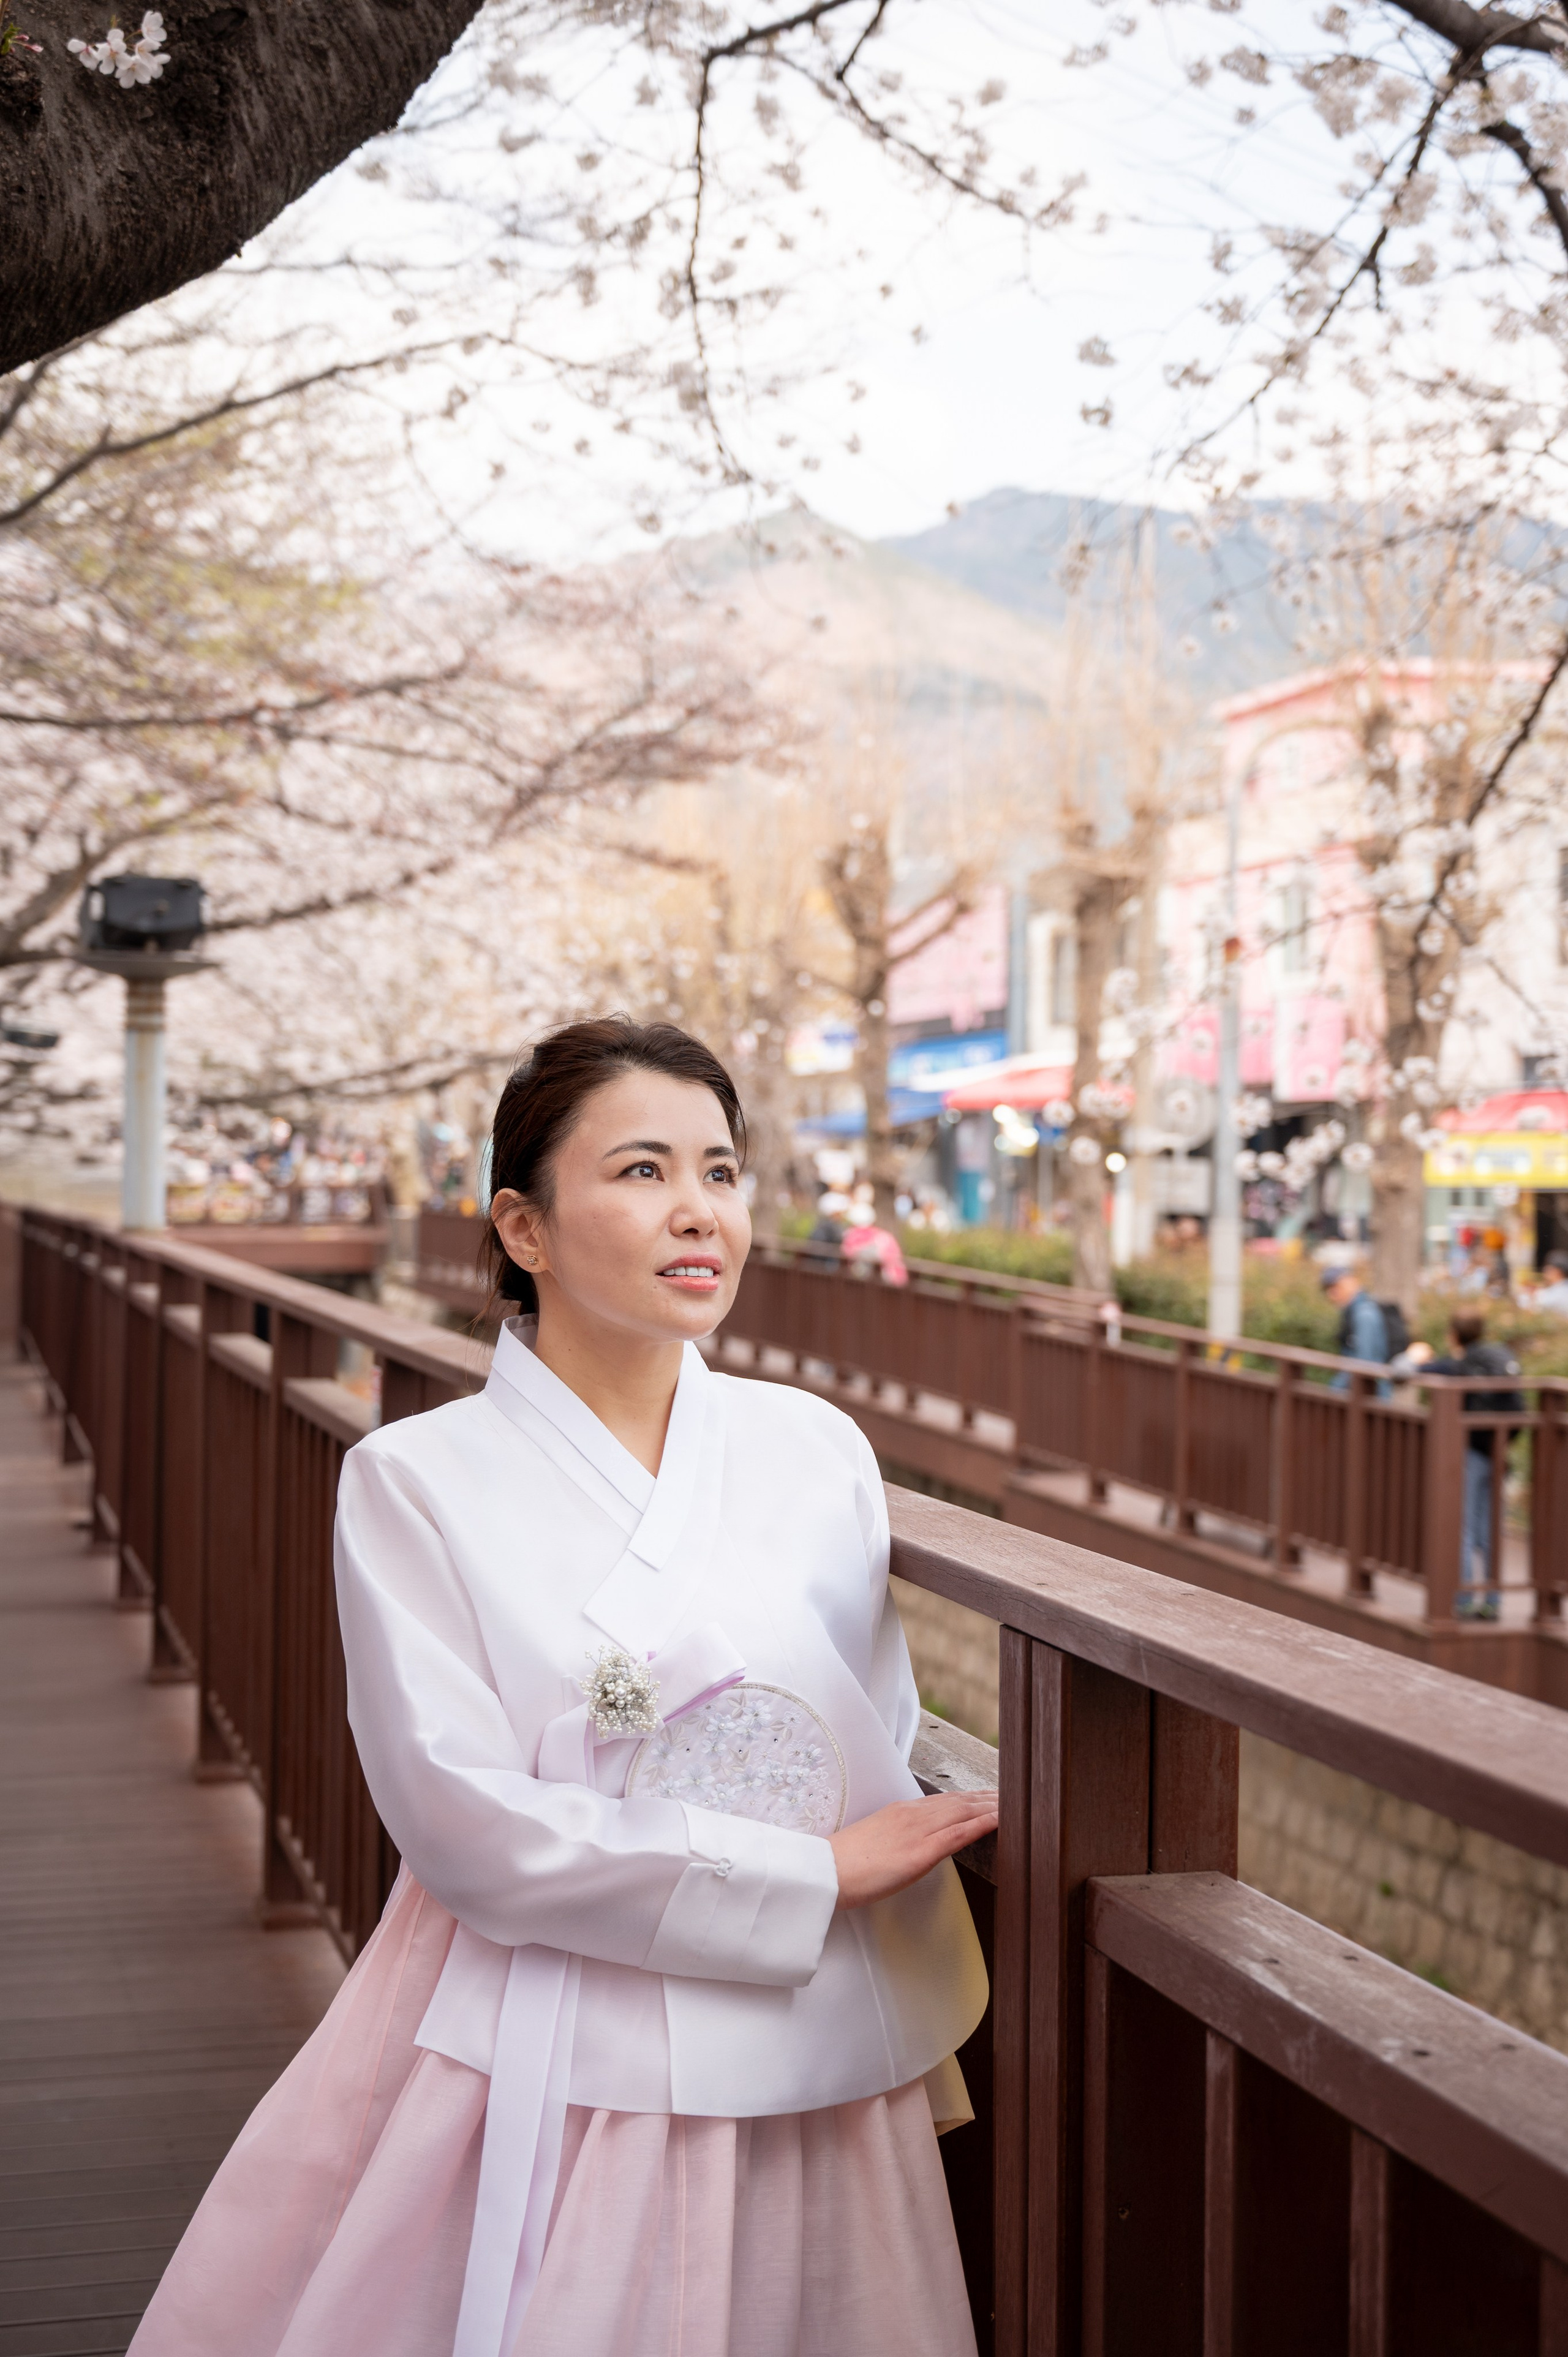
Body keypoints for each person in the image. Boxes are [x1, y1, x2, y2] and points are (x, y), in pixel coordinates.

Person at [129, 1017, 995, 2357]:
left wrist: (834, 1871)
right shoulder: (415, 1478)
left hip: (815, 2015)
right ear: (522, 1228)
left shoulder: (817, 1449)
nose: (699, 1211)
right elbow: (458, 1815)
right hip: (565, 2014)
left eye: (720, 1171)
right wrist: (807, 1877)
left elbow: (865, 1729)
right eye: (643, 1170)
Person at [1400, 1311, 1525, 1623]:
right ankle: (1493, 1601)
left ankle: (1464, 1600)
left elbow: (1398, 1373)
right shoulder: (1497, 1359)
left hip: (1470, 1452)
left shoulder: (1455, 1365)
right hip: (1498, 1450)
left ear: (1454, 1335)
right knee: (1490, 1528)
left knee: (1463, 1526)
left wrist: (1413, 1356)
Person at [1321, 1265, 1392, 1393]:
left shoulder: (1364, 1315)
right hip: (1362, 1395)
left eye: (1336, 1287)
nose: (1331, 1294)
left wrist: (1335, 1390)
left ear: (1352, 1282)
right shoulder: (1352, 1313)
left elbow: (1364, 1362)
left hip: (1369, 1397)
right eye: (1328, 1289)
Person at [1532, 1250, 1568, 1314]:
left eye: (1549, 1267)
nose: (1545, 1269)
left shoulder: (1562, 1290)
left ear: (1558, 1271)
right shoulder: (1556, 1287)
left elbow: (1541, 1303)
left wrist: (1533, 1293)